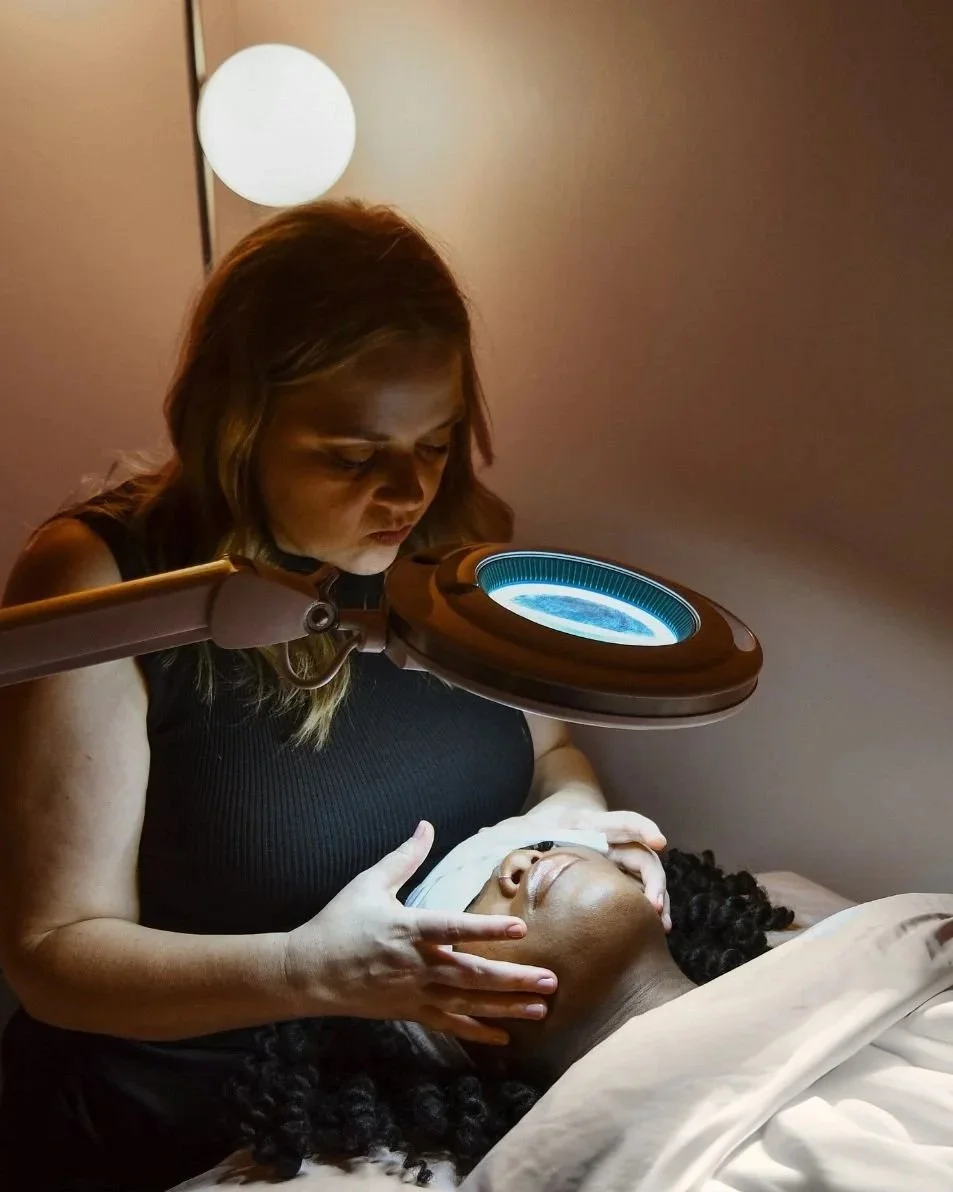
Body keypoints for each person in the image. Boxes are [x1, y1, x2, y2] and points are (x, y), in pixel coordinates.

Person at [0, 198, 671, 1192]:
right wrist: (306, 970)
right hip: (192, 1128)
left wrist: (572, 822)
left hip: (411, 1103)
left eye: (435, 442)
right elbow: (52, 954)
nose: (406, 492)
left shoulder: (454, 546)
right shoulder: (106, 581)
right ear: (237, 430)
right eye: (353, 456)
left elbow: (550, 754)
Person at [180, 833, 794, 1187]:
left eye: (544, 843)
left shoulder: (844, 958)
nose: (519, 860)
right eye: (467, 902)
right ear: (465, 1031)